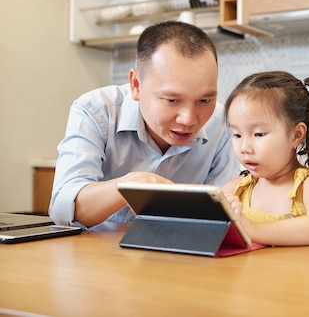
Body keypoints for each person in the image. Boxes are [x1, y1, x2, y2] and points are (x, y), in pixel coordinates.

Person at [49, 21, 241, 228]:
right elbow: (63, 208)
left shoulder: (223, 125)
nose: (189, 119)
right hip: (95, 254)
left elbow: (220, 218)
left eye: (204, 101)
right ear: (136, 85)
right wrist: (132, 185)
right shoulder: (96, 111)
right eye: (171, 100)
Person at [221, 71, 309, 246]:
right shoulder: (236, 189)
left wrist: (251, 230)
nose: (245, 148)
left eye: (259, 134)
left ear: (296, 135)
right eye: (237, 135)